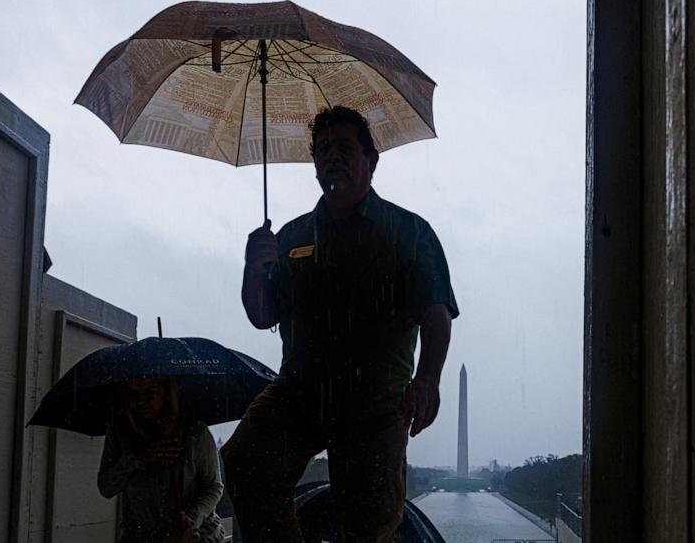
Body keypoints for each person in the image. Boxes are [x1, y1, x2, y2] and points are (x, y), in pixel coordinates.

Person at [222, 105, 459, 542]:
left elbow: (437, 311)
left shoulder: (409, 232)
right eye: (323, 150)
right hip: (299, 394)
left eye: (344, 148)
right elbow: (261, 315)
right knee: (244, 462)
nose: (332, 157)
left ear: (372, 159)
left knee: (367, 527)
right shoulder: (291, 237)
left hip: (375, 407)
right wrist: (253, 268)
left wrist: (427, 380)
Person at [98, 376, 226, 543]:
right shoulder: (119, 434)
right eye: (134, 394)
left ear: (166, 394)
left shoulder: (194, 433)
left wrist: (191, 520)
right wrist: (134, 458)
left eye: (150, 393)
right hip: (140, 537)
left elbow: (213, 486)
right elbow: (106, 487)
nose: (141, 401)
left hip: (196, 538)